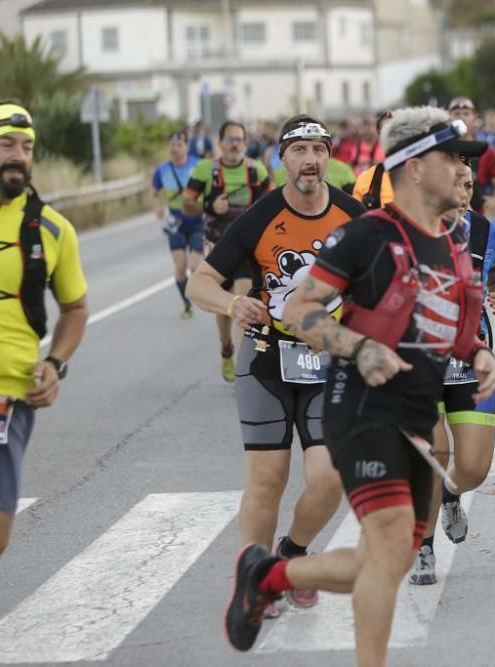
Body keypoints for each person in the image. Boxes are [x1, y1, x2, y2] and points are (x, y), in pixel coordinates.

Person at [222, 107, 495, 667]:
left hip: (416, 418)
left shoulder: (455, 241)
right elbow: (300, 310)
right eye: (453, 159)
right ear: (415, 168)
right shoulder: (366, 235)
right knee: (391, 545)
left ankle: (270, 573)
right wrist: (358, 347)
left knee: (387, 558)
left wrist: (480, 353)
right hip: (361, 410)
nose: (466, 173)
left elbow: (459, 327)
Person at [188, 116, 364, 613]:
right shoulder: (260, 217)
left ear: (330, 157)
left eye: (318, 149)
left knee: (330, 475)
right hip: (267, 356)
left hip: (328, 359)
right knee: (267, 479)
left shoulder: (355, 216)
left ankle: (291, 555)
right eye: (299, 150)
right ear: (282, 159)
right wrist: (230, 305)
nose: (310, 160)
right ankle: (256, 578)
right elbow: (199, 281)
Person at [0, 101, 88, 568]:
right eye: (7, 144)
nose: (19, 155)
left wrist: (55, 364)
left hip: (9, 401)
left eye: (27, 147)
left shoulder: (51, 228)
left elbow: (75, 308)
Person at [410, 160, 495, 585]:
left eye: (469, 185)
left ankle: (451, 495)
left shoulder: (487, 232)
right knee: (436, 454)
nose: (465, 193)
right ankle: (423, 548)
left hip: (471, 361)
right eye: (456, 184)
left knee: (473, 467)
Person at [183, 120, 271, 382]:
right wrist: (209, 207)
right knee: (224, 306)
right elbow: (187, 204)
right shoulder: (204, 169)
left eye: (239, 139)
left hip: (247, 247)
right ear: (220, 142)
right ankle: (226, 348)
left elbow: (274, 204)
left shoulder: (257, 171)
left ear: (246, 143)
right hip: (217, 244)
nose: (235, 144)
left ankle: (245, 366)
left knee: (243, 298)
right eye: (230, 139)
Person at [152, 130, 203, 318]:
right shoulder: (162, 170)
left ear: (186, 147)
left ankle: (201, 294)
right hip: (175, 223)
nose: (175, 149)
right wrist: (158, 208)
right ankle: (186, 304)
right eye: (172, 145)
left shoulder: (199, 165)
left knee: (194, 266)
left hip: (198, 222)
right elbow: (154, 192)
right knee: (180, 267)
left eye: (179, 145)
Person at [448, 97, 495, 224]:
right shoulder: (442, 152)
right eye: (456, 114)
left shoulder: (485, 151)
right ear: (449, 117)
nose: (461, 117)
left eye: (466, 113)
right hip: (448, 221)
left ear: (474, 117)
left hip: (477, 221)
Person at [352, 110, 395, 209]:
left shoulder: (421, 174)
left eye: (395, 130)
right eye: (384, 131)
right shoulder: (364, 180)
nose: (390, 136)